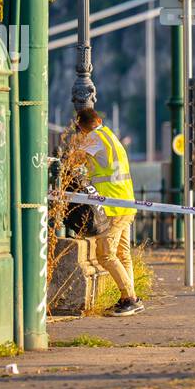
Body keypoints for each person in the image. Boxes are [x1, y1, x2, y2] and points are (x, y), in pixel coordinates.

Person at [74, 108, 143, 316]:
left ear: (81, 127)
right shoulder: (111, 136)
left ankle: (129, 298)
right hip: (126, 202)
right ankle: (132, 297)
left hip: (112, 206)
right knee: (123, 254)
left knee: (105, 254)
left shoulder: (92, 138)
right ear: (99, 120)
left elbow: (72, 161)